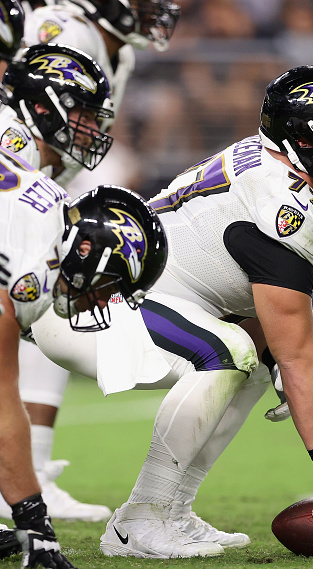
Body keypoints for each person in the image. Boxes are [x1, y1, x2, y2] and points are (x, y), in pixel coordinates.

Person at [29, 65, 313, 559]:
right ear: (307, 140)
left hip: (130, 297)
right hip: (96, 300)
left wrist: (280, 363)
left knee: (254, 356)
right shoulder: (285, 202)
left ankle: (172, 510)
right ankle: (142, 520)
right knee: (233, 350)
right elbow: (301, 352)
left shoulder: (269, 165)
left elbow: (273, 328)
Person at [1, 0, 180, 523]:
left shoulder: (111, 49)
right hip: (25, 179)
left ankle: (25, 474)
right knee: (28, 302)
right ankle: (25, 475)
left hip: (35, 178)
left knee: (31, 309)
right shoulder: (61, 33)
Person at [0, 167, 167, 569]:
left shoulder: (48, 221)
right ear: (87, 251)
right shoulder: (31, 267)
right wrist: (34, 522)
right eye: (110, 286)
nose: (102, 301)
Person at [0, 41, 118, 521]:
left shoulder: (30, 146)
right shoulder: (14, 142)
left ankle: (30, 474)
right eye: (84, 115)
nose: (92, 129)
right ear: (42, 107)